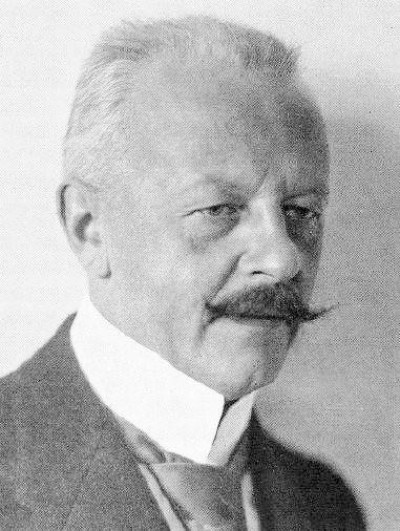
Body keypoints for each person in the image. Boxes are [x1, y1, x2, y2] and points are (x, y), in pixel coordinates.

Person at [0, 16, 366, 530]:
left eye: (301, 211)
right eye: (219, 209)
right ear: (90, 229)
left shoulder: (326, 505)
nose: (284, 260)